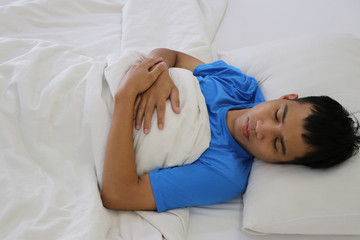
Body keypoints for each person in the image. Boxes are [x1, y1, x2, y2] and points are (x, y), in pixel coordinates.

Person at [101, 48, 360, 212]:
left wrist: (126, 96)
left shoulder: (225, 175)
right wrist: (160, 73)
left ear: (282, 163)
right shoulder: (239, 85)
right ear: (288, 97)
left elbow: (120, 195)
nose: (262, 129)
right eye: (278, 114)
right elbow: (173, 56)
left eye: (277, 145)